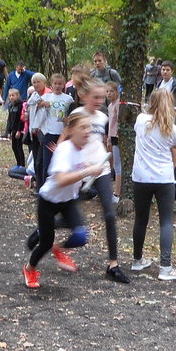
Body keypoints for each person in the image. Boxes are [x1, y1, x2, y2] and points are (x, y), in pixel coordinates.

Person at [23, 109, 106, 289]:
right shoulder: (65, 149)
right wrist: (88, 171)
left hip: (68, 201)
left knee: (81, 236)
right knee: (45, 244)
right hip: (49, 201)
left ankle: (58, 248)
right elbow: (61, 179)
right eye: (83, 127)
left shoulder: (81, 148)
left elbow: (80, 165)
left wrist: (91, 167)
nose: (87, 131)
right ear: (71, 130)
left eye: (89, 127)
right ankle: (29, 268)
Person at [129, 89, 176, 281]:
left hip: (141, 178)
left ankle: (137, 260)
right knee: (166, 222)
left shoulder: (141, 120)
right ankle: (165, 267)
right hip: (163, 179)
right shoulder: (173, 130)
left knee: (140, 219)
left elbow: (148, 136)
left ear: (151, 102)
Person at [77, 78, 131, 283]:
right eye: (96, 97)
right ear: (84, 96)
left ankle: (113, 265)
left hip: (101, 171)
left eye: (102, 97)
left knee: (109, 214)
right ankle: (44, 231)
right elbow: (66, 141)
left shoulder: (102, 117)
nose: (100, 101)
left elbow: (100, 141)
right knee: (69, 216)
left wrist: (104, 156)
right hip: (79, 173)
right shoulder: (76, 115)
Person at [39, 74, 73, 189]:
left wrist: (68, 120)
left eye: (60, 84)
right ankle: (46, 188)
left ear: (64, 85)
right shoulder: (46, 97)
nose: (57, 86)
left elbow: (73, 115)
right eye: (55, 83)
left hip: (63, 135)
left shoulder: (68, 99)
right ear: (51, 85)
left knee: (62, 162)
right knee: (47, 163)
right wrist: (41, 104)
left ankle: (61, 187)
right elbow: (33, 107)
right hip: (49, 133)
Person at [105, 80, 124, 202]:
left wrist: (115, 137)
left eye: (111, 91)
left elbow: (117, 123)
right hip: (112, 137)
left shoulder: (118, 104)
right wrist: (108, 140)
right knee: (114, 165)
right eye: (107, 91)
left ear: (117, 92)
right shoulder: (110, 106)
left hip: (117, 137)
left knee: (118, 166)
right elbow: (110, 124)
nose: (109, 93)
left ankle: (117, 193)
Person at [5, 88, 27, 168]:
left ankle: (22, 165)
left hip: (19, 129)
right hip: (13, 129)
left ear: (17, 95)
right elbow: (9, 119)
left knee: (19, 147)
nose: (11, 97)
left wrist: (19, 130)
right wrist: (8, 131)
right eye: (10, 96)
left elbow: (21, 119)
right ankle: (18, 163)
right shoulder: (10, 105)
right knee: (14, 147)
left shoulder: (21, 105)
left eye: (13, 95)